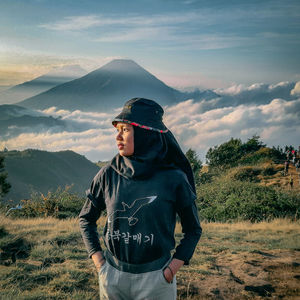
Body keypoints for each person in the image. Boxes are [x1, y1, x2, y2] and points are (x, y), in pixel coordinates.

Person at [79, 98, 202, 300]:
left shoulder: (173, 178)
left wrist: (170, 270)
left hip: (156, 280)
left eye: (125, 130)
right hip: (113, 277)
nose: (118, 136)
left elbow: (193, 229)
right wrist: (100, 263)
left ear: (146, 133)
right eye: (117, 129)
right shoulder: (108, 174)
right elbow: (86, 218)